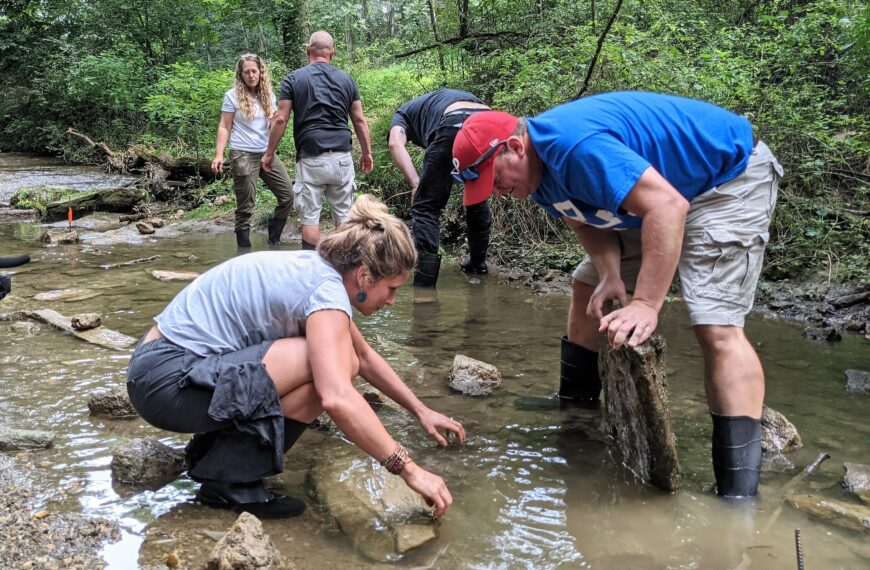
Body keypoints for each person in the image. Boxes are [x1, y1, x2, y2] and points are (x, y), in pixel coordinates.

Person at [452, 91, 783, 499]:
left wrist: (646, 303)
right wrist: (610, 273)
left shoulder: (575, 148)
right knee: (587, 284)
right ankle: (576, 412)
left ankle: (737, 493)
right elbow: (582, 220)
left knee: (715, 326)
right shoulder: (535, 177)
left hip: (727, 179)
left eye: (495, 179)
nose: (497, 191)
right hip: (663, 195)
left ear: (515, 148)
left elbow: (666, 207)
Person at [126, 195, 465, 519]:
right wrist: (408, 469)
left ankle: (212, 458)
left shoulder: (317, 272)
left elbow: (363, 355)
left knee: (340, 357)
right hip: (167, 382)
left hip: (157, 373)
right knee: (332, 369)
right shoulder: (326, 292)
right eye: (391, 289)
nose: (392, 300)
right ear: (364, 276)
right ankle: (229, 481)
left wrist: (420, 410)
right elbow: (337, 397)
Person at [262, 31, 373, 250]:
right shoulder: (347, 80)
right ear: (332, 52)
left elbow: (281, 118)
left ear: (308, 50)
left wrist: (269, 153)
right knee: (344, 217)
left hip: (311, 157)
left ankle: (310, 271)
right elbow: (359, 120)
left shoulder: (294, 79)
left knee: (311, 218)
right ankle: (346, 273)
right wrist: (367, 153)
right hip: (341, 157)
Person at [388, 89, 492, 287]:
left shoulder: (402, 114)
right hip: (488, 121)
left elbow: (395, 143)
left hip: (454, 121)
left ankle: (425, 285)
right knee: (477, 195)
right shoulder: (437, 101)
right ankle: (478, 265)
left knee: (425, 206)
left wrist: (416, 182)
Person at [212, 53, 294, 248]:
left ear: (260, 72)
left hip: (266, 153)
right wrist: (219, 155)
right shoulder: (232, 96)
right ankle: (244, 250)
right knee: (246, 204)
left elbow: (273, 124)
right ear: (240, 75)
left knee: (288, 195)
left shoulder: (269, 96)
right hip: (242, 153)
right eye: (246, 72)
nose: (251, 75)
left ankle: (274, 238)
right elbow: (225, 125)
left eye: (254, 71)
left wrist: (277, 123)